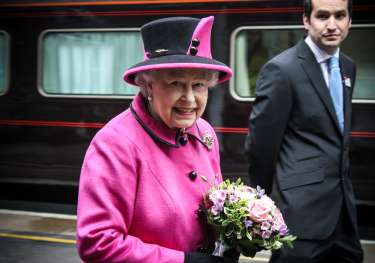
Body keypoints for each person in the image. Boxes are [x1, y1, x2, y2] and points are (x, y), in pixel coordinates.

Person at [76, 16, 238, 263]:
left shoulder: (204, 132)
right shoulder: (115, 144)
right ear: (148, 86)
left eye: (199, 85)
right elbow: (98, 242)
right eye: (176, 84)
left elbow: (215, 207)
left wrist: (233, 235)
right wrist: (185, 261)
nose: (190, 99)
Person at [245, 0, 363, 262]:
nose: (332, 25)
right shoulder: (282, 69)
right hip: (300, 217)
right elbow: (260, 147)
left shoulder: (348, 67)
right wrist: (268, 204)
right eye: (322, 16)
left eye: (340, 16)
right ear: (306, 20)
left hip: (344, 216)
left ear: (349, 21)